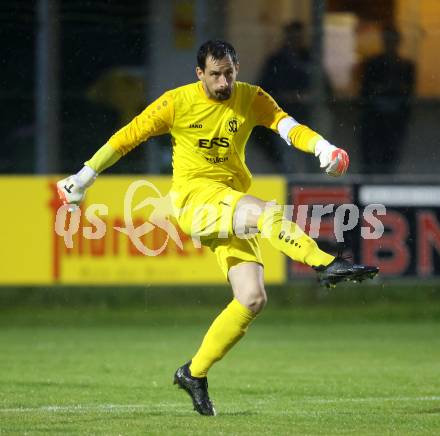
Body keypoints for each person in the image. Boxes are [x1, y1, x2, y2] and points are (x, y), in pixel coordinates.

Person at [57, 40, 378, 416]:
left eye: (229, 73)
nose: (223, 81)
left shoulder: (251, 97)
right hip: (194, 201)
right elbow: (127, 137)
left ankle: (193, 373)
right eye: (215, 74)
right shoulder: (176, 102)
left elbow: (288, 126)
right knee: (264, 213)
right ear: (199, 74)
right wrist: (83, 176)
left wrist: (323, 148)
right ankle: (324, 263)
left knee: (252, 298)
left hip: (226, 200)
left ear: (236, 69)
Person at [359, 26, 415, 174]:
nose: (390, 44)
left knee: (390, 157)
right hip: (375, 117)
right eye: (388, 40)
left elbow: (408, 92)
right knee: (372, 157)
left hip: (394, 118)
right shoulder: (374, 63)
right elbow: (365, 91)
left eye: (393, 40)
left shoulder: (405, 65)